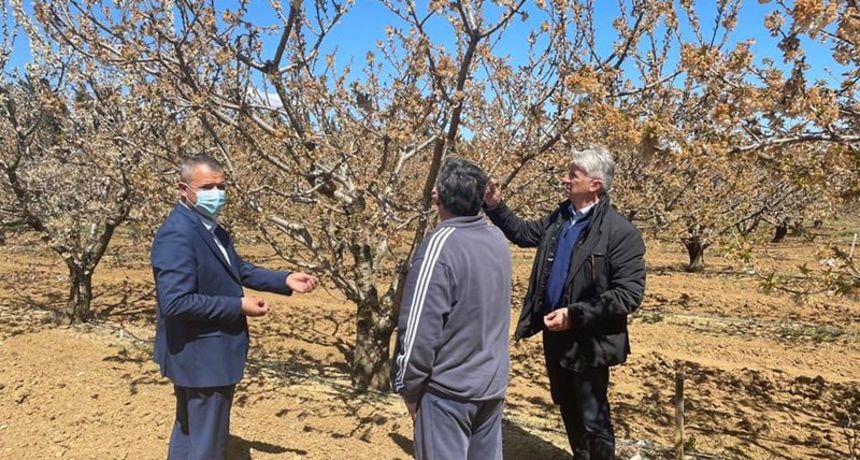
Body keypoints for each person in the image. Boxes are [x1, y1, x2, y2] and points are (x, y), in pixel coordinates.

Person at [151, 154, 318, 459]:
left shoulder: (208, 227)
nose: (216, 194)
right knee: (207, 445)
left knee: (190, 434)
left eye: (221, 186)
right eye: (207, 187)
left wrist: (283, 280)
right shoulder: (178, 234)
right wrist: (238, 305)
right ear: (183, 189)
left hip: (201, 355)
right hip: (202, 356)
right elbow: (176, 301)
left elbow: (235, 268)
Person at [483, 145, 645, 460]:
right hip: (556, 335)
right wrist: (495, 206)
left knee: (593, 416)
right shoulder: (561, 219)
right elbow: (523, 233)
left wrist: (575, 315)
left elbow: (629, 294)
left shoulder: (620, 232)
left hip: (590, 341)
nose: (565, 180)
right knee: (568, 406)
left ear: (595, 184)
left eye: (573, 175)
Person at [391, 157, 513, 460]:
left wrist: (408, 387)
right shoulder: (497, 239)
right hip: (491, 387)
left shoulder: (440, 246)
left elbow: (418, 329)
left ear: (437, 196)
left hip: (448, 392)